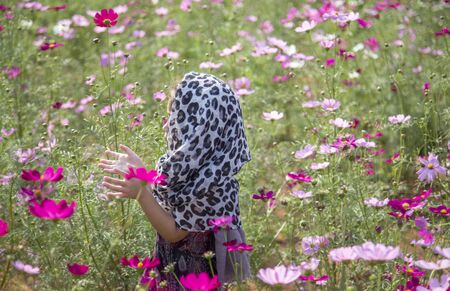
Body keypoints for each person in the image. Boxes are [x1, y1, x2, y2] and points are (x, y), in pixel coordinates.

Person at [98, 71, 252, 290]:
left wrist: (141, 193)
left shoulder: (211, 184)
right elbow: (168, 205)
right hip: (171, 274)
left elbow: (173, 232)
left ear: (198, 127)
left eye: (174, 115)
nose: (166, 124)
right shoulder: (193, 171)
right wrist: (142, 175)